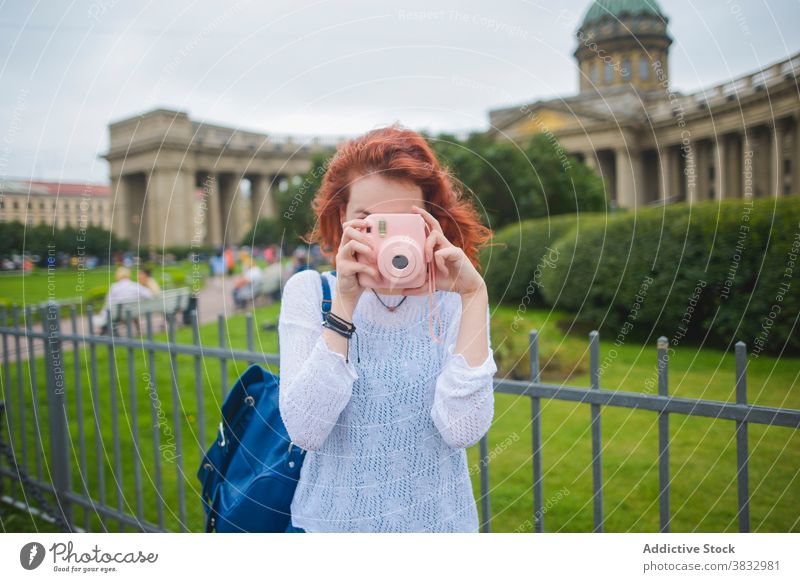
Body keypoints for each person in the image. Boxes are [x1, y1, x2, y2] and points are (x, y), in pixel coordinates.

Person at [277, 124, 496, 533]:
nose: (389, 240)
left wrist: (474, 296)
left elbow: (463, 428)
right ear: (341, 217)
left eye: (403, 223)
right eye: (369, 221)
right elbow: (305, 429)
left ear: (430, 222)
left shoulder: (451, 299)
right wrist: (344, 304)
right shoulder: (310, 293)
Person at [92, 266, 154, 334]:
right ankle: (137, 330)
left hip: (117, 315)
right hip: (132, 312)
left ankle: (105, 330)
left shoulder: (114, 287)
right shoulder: (135, 286)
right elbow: (149, 295)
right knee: (130, 309)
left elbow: (107, 302)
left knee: (108, 314)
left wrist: (102, 313)